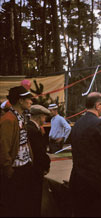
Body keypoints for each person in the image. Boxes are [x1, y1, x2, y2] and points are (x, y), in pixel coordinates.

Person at [0, 86, 35, 216]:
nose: (31, 101)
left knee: (24, 204)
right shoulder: (8, 120)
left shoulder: (20, 117)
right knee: (15, 206)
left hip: (24, 168)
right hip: (15, 171)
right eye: (28, 99)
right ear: (20, 101)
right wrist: (8, 169)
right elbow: (3, 147)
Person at [27, 105, 51, 216]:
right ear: (40, 117)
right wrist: (46, 165)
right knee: (34, 199)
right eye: (44, 117)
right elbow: (39, 152)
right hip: (35, 171)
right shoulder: (34, 131)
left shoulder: (28, 127)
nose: (45, 120)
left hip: (29, 169)